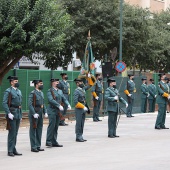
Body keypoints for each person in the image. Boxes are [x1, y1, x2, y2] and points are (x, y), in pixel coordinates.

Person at [46, 78, 71, 147]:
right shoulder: (50, 91)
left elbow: (64, 98)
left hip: (58, 111)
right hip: (52, 110)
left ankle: (54, 141)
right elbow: (51, 100)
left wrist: (67, 104)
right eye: (57, 82)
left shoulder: (60, 91)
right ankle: (48, 141)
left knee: (56, 126)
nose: (58, 83)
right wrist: (58, 105)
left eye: (58, 82)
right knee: (52, 126)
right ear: (53, 83)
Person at [2, 76, 22, 157]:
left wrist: (20, 115)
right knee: (12, 133)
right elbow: (4, 103)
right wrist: (8, 113)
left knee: (16, 133)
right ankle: (10, 150)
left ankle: (14, 149)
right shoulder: (8, 91)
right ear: (11, 82)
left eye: (17, 81)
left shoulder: (19, 91)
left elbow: (20, 104)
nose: (17, 82)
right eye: (15, 81)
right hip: (12, 113)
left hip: (18, 113)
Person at [28, 80, 47, 152]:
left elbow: (43, 103)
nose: (42, 85)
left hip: (40, 113)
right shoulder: (32, 93)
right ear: (36, 85)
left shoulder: (41, 93)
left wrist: (45, 112)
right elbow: (30, 104)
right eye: (40, 84)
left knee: (39, 130)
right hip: (35, 113)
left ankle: (38, 145)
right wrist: (33, 113)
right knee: (33, 130)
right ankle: (33, 146)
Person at [73, 74, 93, 142]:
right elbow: (75, 102)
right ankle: (78, 136)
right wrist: (83, 106)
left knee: (82, 122)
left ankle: (81, 135)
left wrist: (90, 78)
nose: (82, 83)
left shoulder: (83, 89)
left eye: (82, 82)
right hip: (79, 108)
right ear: (77, 83)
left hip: (83, 108)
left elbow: (90, 85)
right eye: (81, 82)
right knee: (79, 123)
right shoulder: (76, 91)